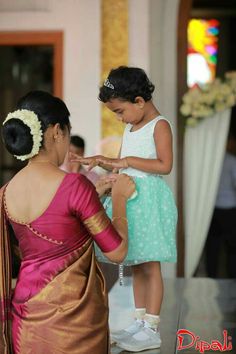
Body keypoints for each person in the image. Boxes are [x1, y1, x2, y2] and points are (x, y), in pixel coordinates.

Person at [0, 90, 135, 354]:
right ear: (55, 131)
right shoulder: (74, 185)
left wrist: (94, 197)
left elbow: (54, 224)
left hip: (25, 322)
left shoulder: (6, 192)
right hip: (75, 324)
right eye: (68, 132)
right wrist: (119, 200)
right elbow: (117, 251)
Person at [72, 66, 178, 352]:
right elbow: (121, 163)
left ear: (139, 102)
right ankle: (140, 320)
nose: (119, 118)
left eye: (120, 111)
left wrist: (126, 161)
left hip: (149, 200)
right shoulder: (130, 127)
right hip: (131, 199)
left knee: (151, 263)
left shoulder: (160, 125)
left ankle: (152, 327)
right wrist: (100, 161)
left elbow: (164, 165)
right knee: (136, 264)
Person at [206, 107, 236, 278]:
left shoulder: (210, 161)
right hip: (230, 208)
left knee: (213, 248)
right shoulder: (232, 160)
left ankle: (211, 277)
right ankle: (232, 279)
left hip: (213, 208)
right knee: (232, 249)